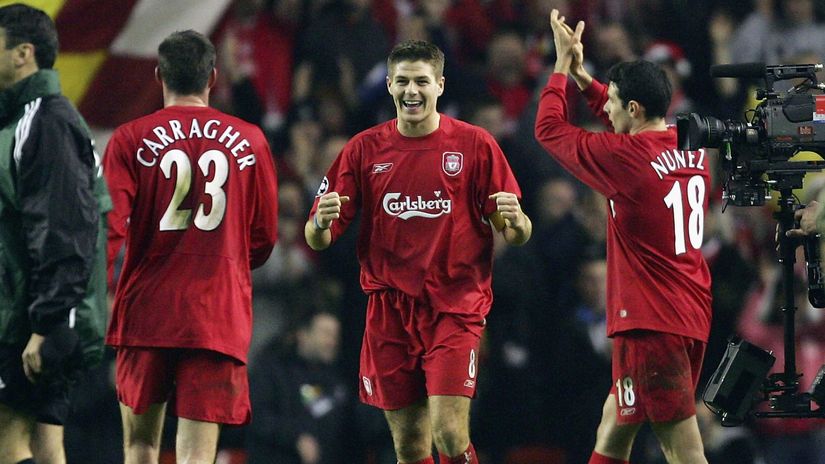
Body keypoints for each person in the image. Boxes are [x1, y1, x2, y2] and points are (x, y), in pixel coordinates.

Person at [305, 39, 531, 464]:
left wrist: (517, 221)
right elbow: (319, 237)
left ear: (440, 85)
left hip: (454, 306)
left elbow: (517, 232)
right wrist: (318, 224)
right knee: (409, 444)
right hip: (389, 310)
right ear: (390, 85)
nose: (412, 91)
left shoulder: (475, 145)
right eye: (403, 81)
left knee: (449, 433)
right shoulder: (363, 149)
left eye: (422, 82)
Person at [534, 10, 712, 464]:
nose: (605, 109)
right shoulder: (685, 143)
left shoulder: (626, 159)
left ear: (633, 108)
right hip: (686, 309)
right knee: (614, 428)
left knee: (683, 450)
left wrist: (560, 68)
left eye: (612, 102)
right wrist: (584, 78)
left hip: (653, 321)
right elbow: (623, 119)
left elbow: (548, 130)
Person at [104, 30, 279, 463]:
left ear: (159, 75)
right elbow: (263, 239)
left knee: (140, 445)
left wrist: (92, 291)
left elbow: (107, 227)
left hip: (147, 311)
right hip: (216, 313)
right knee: (198, 457)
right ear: (214, 77)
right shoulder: (251, 140)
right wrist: (226, 259)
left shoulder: (129, 138)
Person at [0, 4, 110, 464]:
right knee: (45, 445)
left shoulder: (44, 122)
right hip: (40, 312)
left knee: (7, 440)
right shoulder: (27, 121)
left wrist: (46, 324)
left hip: (33, 317)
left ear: (23, 53)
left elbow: (64, 231)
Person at [246, 309, 349, 464]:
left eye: (335, 335)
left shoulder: (337, 380)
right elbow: (257, 416)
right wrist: (295, 437)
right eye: (326, 333)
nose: (332, 342)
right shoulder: (272, 371)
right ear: (303, 334)